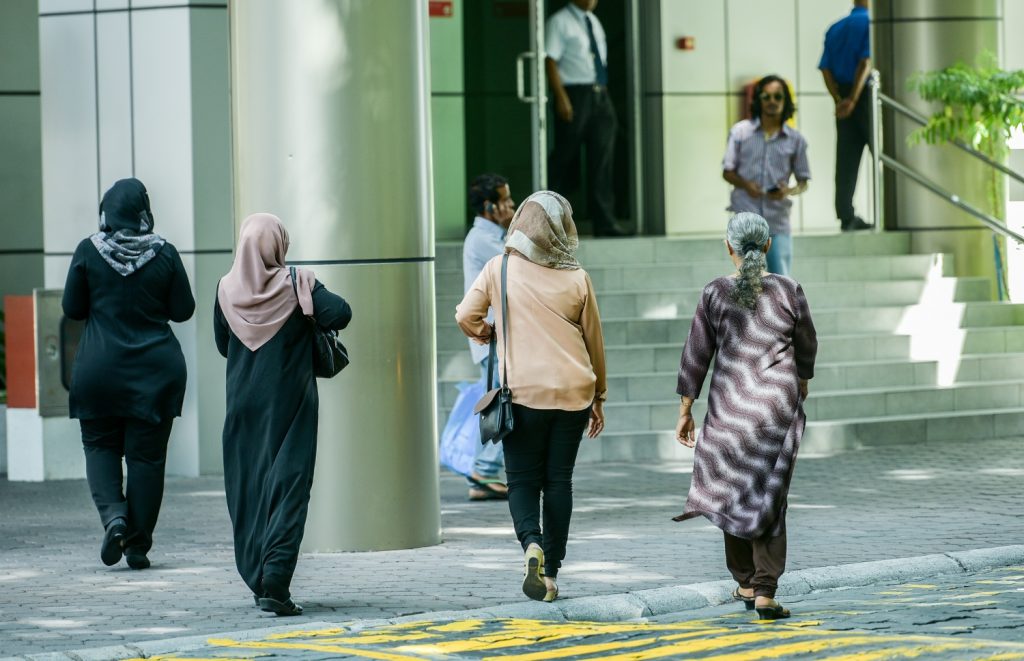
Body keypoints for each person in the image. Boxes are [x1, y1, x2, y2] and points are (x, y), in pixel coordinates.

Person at [456, 190, 607, 603]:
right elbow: (595, 342)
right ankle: (553, 572)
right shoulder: (577, 277)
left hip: (521, 393)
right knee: (559, 480)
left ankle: (532, 546)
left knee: (522, 479)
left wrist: (487, 333)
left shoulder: (498, 269)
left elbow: (464, 315)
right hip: (574, 393)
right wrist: (600, 397)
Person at [674, 212, 817, 620]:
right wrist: (802, 380)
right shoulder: (789, 290)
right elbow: (807, 344)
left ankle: (746, 582)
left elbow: (696, 354)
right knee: (770, 494)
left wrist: (686, 408)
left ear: (728, 247)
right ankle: (766, 590)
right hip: (776, 408)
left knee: (730, 488)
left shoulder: (715, 293)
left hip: (730, 410)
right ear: (769, 245)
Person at [214, 213, 352, 616]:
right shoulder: (297, 282)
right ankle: (275, 578)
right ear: (279, 244)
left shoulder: (224, 289)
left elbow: (223, 344)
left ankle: (257, 573)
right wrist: (307, 304)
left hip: (242, 405)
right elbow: (341, 314)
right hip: (290, 405)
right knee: (289, 489)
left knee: (248, 490)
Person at [62, 177, 196, 570]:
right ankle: (137, 545)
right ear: (143, 213)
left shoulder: (89, 250)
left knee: (101, 446)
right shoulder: (165, 253)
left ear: (105, 213)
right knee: (147, 459)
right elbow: (183, 310)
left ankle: (115, 519)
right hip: (155, 373)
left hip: (99, 372)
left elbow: (73, 308)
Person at [545, 0, 630, 237]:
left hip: (600, 93)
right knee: (565, 158)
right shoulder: (559, 21)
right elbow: (549, 60)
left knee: (603, 160)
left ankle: (604, 222)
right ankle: (547, 222)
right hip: (574, 93)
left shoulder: (593, 21)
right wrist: (561, 97)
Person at [462, 173, 516, 500]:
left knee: (503, 401)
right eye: (505, 201)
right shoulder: (483, 239)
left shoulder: (492, 236)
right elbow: (516, 267)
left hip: (497, 338)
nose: (510, 205)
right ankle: (483, 470)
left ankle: (485, 471)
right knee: (503, 403)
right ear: (488, 206)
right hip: (492, 338)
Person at [722, 75, 811, 277]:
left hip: (777, 219)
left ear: (785, 101)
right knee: (747, 282)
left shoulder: (796, 140)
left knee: (781, 282)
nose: (772, 101)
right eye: (766, 96)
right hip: (746, 218)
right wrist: (746, 184)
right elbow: (727, 171)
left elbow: (803, 181)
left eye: (777, 97)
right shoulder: (740, 133)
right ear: (758, 100)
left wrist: (788, 191)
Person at [819, 0, 874, 232]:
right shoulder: (871, 24)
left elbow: (825, 68)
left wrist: (839, 100)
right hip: (864, 97)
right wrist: (854, 98)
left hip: (842, 98)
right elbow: (865, 62)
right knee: (882, 155)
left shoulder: (835, 28)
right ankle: (891, 214)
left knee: (846, 160)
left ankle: (846, 216)